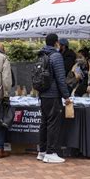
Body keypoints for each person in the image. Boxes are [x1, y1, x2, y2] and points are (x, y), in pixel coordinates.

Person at [36, 33, 71, 164]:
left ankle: (42, 151)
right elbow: (61, 79)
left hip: (42, 94)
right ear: (56, 42)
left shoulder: (41, 54)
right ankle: (51, 152)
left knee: (44, 123)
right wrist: (66, 96)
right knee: (53, 124)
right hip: (53, 95)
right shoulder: (56, 56)